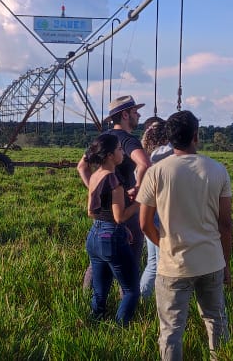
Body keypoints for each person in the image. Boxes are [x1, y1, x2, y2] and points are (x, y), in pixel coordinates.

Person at [138, 110, 233, 360]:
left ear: (170, 138)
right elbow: (226, 225)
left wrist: (163, 245)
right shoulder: (218, 170)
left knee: (170, 330)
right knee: (216, 322)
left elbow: (145, 224)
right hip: (211, 260)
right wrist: (226, 263)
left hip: (173, 265)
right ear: (196, 136)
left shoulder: (156, 172)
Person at [78, 95, 152, 286]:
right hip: (126, 209)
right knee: (129, 263)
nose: (139, 115)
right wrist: (137, 189)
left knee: (98, 263)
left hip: (104, 213)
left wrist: (97, 192)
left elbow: (82, 167)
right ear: (125, 115)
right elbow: (144, 164)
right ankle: (128, 308)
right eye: (135, 112)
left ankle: (87, 304)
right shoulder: (128, 140)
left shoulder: (103, 138)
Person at [83, 133, 140, 325]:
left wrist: (119, 227)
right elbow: (120, 216)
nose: (122, 152)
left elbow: (91, 212)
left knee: (100, 291)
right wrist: (141, 201)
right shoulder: (113, 180)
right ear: (109, 155)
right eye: (118, 149)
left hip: (94, 236)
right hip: (111, 237)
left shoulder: (95, 175)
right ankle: (121, 329)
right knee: (131, 290)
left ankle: (94, 323)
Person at [138, 116, 173, 298]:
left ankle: (143, 300)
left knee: (153, 262)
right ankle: (158, 301)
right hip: (161, 213)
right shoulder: (165, 155)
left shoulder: (144, 159)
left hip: (147, 211)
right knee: (160, 262)